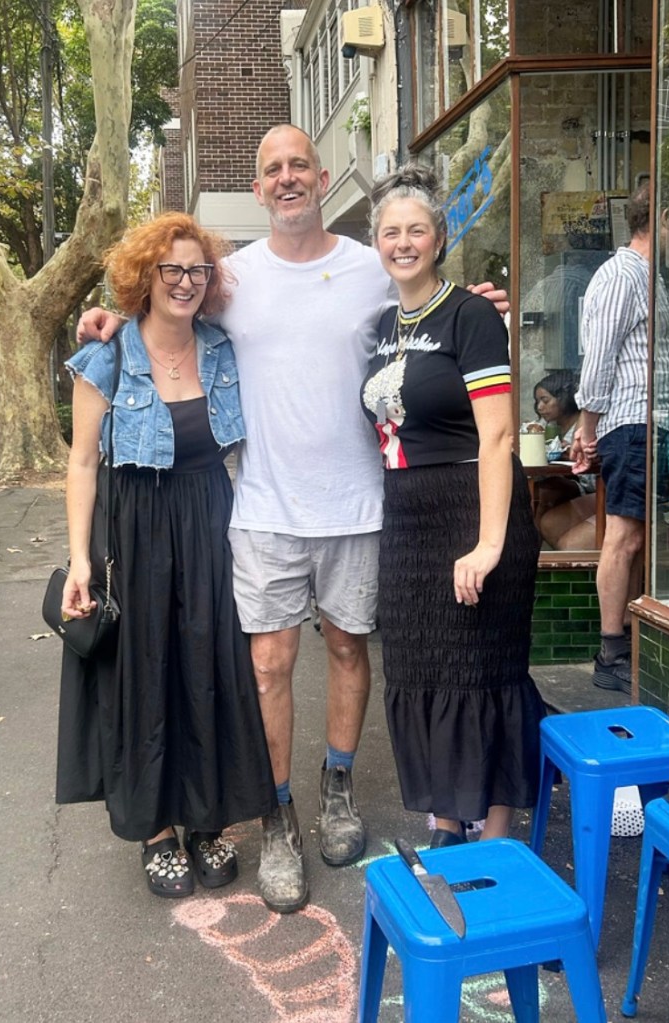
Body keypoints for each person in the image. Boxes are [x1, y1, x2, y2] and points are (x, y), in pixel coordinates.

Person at [76, 125, 509, 913]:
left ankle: (336, 786)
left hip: (357, 503)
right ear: (257, 186)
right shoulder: (231, 278)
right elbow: (162, 302)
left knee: (346, 648)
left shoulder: (369, 265)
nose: (286, 178)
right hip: (263, 508)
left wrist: (475, 304)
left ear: (320, 174)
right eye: (272, 168)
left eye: (298, 165)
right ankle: (278, 816)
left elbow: (428, 302)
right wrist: (107, 317)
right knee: (268, 664)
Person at [57, 212, 276, 899]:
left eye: (197, 270)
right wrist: (80, 561)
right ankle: (155, 830)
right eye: (171, 269)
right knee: (144, 674)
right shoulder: (106, 356)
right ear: (144, 277)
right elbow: (82, 464)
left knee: (207, 669)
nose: (185, 282)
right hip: (135, 528)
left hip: (209, 523)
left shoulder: (222, 348)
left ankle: (206, 818)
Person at [361, 165, 546, 847]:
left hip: (472, 510)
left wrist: (489, 544)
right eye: (390, 232)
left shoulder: (470, 316)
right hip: (407, 519)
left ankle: (495, 833)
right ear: (377, 244)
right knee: (420, 669)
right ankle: (445, 822)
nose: (403, 243)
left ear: (439, 239)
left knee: (480, 671)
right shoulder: (384, 325)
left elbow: (497, 437)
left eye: (416, 230)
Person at [570, 182, 669, 693]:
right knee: (624, 537)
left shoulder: (649, 276)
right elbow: (598, 356)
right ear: (661, 219)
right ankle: (610, 652)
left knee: (640, 537)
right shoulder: (621, 275)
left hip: (655, 424)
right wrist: (588, 429)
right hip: (632, 424)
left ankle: (629, 642)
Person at [532, 370, 597, 550]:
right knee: (539, 491)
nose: (540, 407)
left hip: (589, 486)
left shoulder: (584, 427)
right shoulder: (549, 426)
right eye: (537, 402)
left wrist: (571, 454)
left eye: (545, 400)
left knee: (545, 491)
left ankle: (534, 548)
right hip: (574, 483)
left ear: (564, 398)